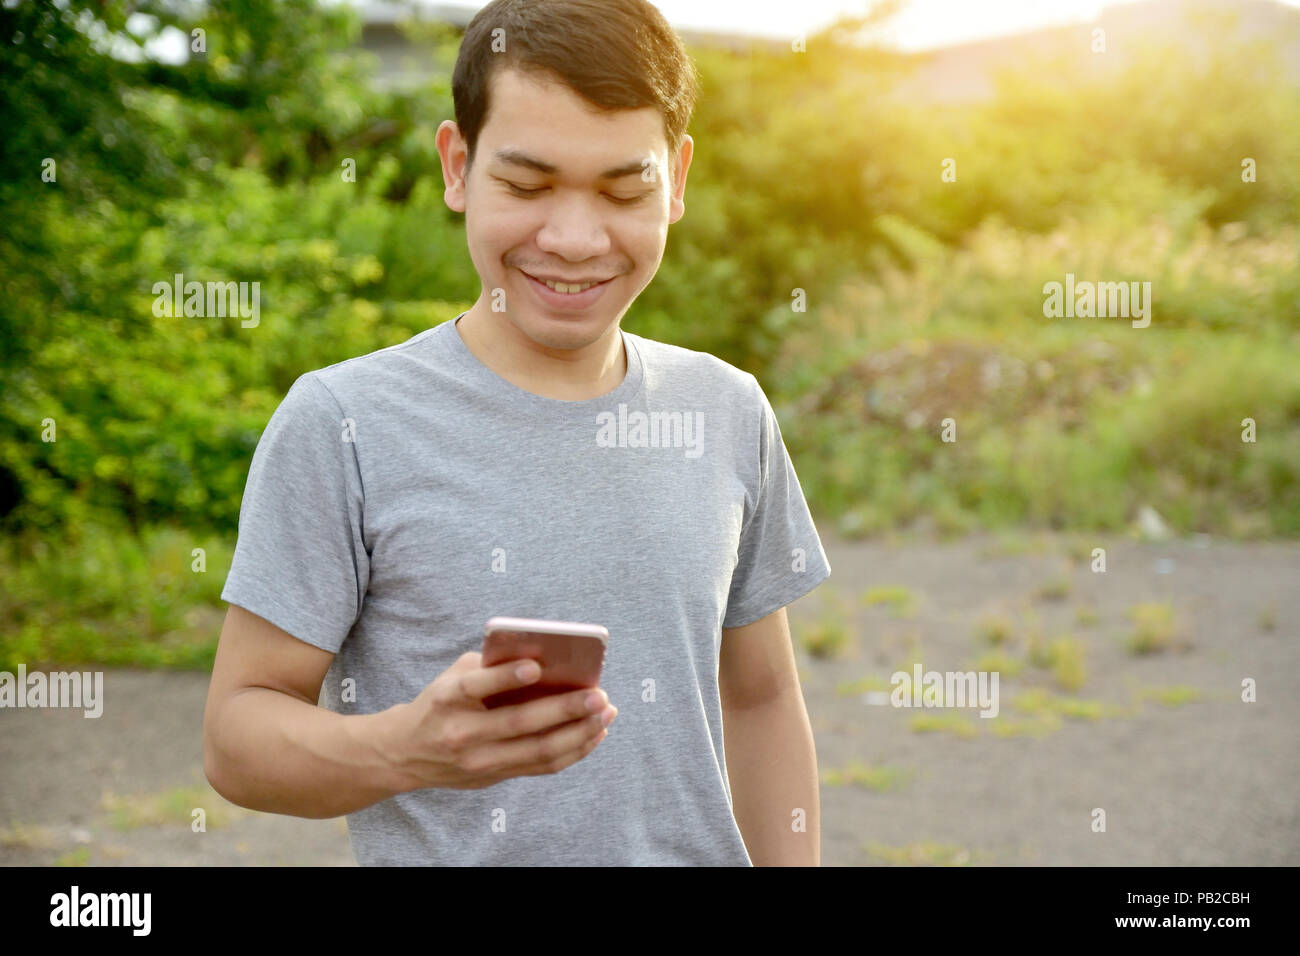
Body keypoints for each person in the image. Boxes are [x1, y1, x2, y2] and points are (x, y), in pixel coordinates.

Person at [203, 0, 831, 866]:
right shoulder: (343, 423)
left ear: (677, 181)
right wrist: (404, 748)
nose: (574, 239)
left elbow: (761, 698)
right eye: (527, 186)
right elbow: (237, 738)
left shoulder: (726, 410)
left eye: (624, 189)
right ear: (457, 167)